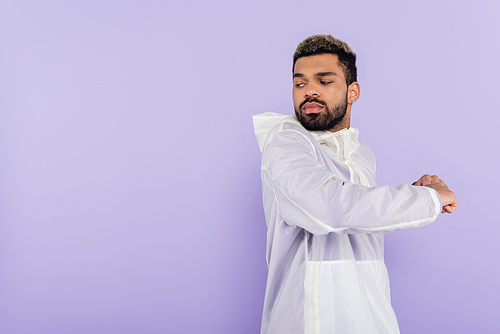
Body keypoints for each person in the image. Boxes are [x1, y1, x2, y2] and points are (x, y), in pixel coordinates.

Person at [252, 35, 458, 334]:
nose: (309, 91)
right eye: (300, 83)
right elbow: (330, 209)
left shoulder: (360, 151)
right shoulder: (285, 142)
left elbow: (359, 214)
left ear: (353, 92)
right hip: (311, 320)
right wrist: (427, 200)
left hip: (371, 316)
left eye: (324, 81)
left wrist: (416, 191)